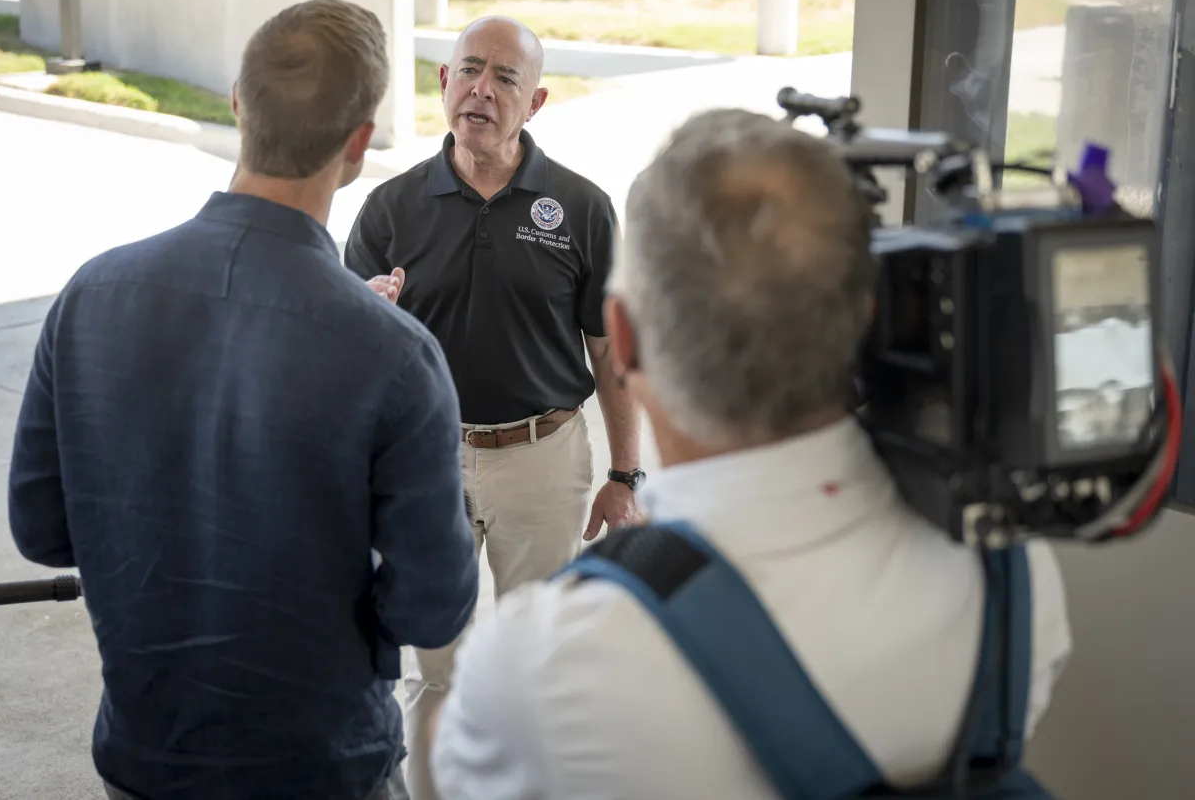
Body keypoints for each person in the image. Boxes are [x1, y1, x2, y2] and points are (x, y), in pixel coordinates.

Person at [428, 109, 1074, 799]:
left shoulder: (552, 660)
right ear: (864, 317)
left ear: (626, 336)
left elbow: (447, 768)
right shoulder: (1011, 571)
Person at [7, 0, 479, 800]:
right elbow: (433, 609)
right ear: (359, 145)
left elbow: (42, 529)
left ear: (237, 101)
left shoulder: (92, 295)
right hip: (323, 767)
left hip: (145, 758)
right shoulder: (395, 355)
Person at [342, 15, 643, 800]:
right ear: (442, 83)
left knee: (535, 662)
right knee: (436, 664)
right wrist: (366, 317)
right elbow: (344, 360)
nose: (482, 89)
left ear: (534, 102)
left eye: (505, 78)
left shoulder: (579, 207)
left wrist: (626, 472)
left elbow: (609, 352)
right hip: (425, 463)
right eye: (468, 70)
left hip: (544, 461)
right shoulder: (389, 209)